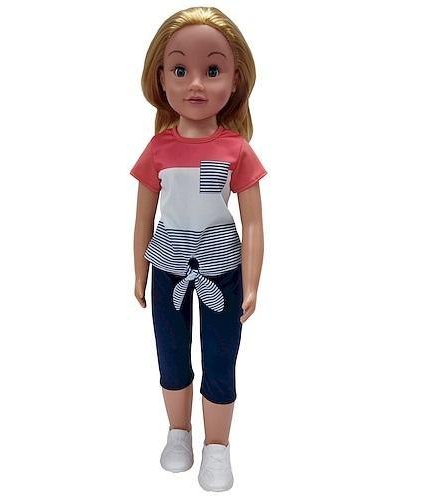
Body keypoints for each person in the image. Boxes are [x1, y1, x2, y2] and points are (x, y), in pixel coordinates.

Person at [130, 6, 267, 492]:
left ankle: (218, 446)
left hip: (222, 272)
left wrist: (251, 282)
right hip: (168, 267)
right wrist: (139, 270)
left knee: (220, 357)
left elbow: (253, 221)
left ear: (235, 79)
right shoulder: (158, 149)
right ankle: (178, 432)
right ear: (160, 78)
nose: (195, 84)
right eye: (179, 69)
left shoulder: (236, 149)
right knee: (171, 353)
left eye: (212, 70)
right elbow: (144, 215)